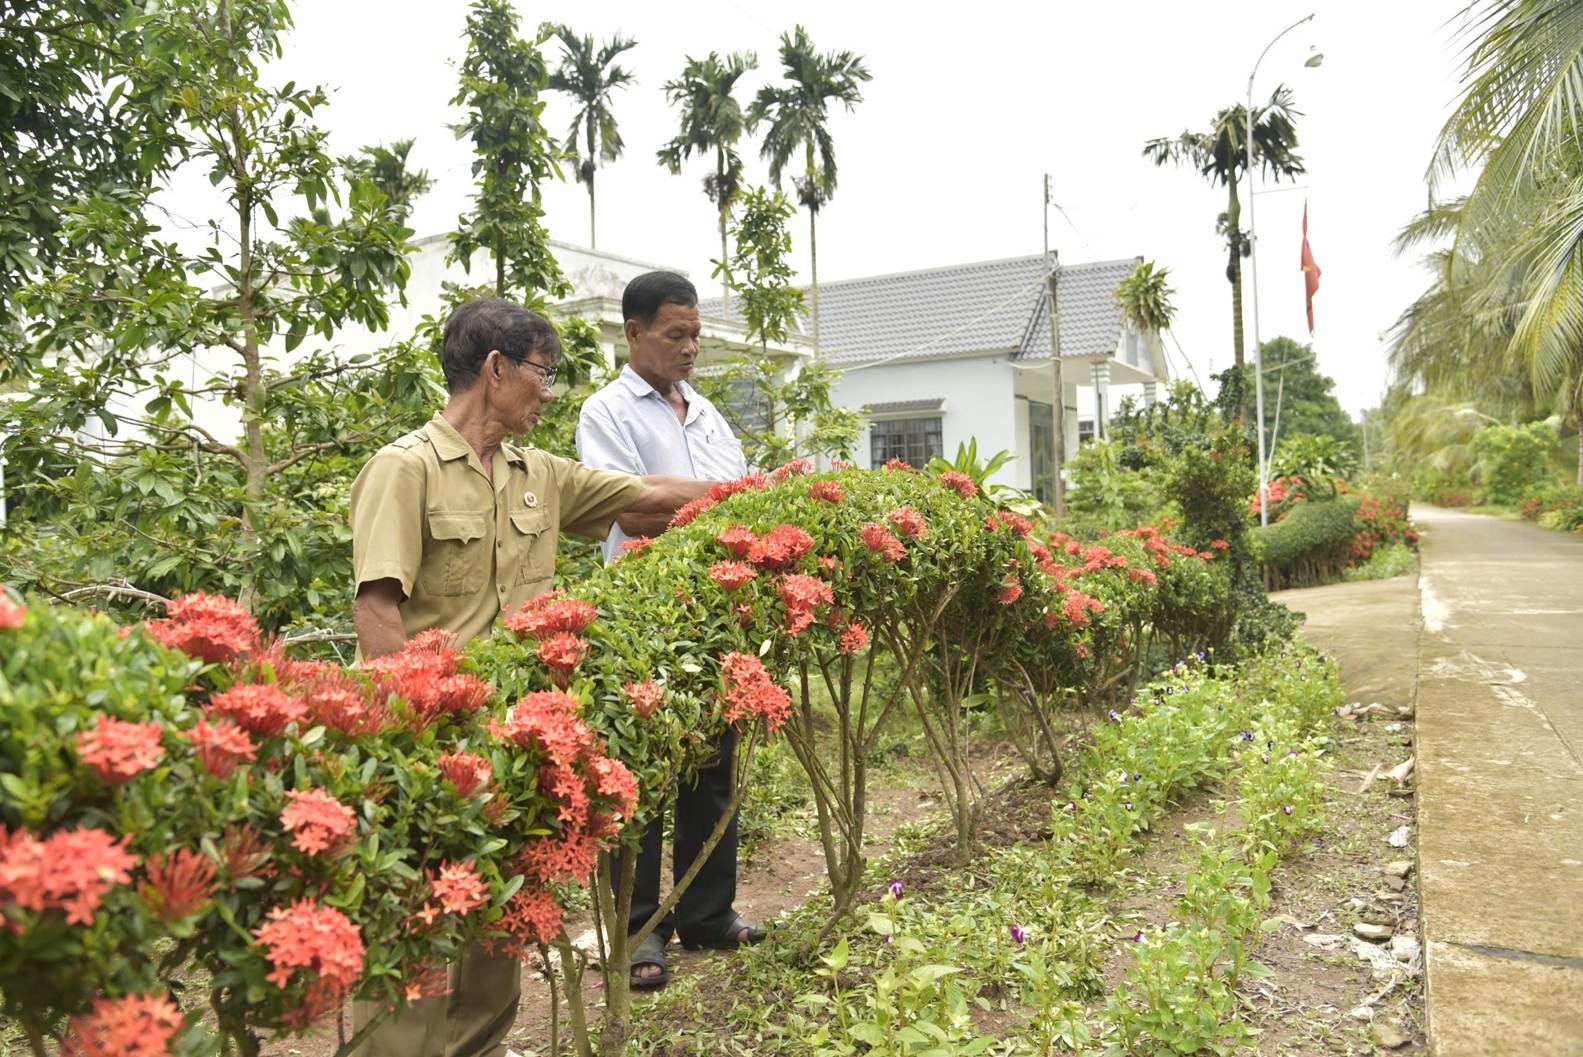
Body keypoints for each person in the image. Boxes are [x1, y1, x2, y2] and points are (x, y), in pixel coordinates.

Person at [348, 296, 711, 1057]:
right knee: (418, 937)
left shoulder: (536, 472)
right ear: (496, 367)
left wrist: (751, 492)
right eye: (542, 372)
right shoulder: (403, 467)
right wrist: (409, 741)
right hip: (425, 746)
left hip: (516, 747)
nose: (549, 391)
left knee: (494, 931)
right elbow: (378, 609)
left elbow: (644, 500)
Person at [575, 270, 765, 992]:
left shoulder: (709, 414)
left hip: (711, 613)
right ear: (633, 332)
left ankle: (708, 917)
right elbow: (626, 509)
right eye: (673, 334)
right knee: (642, 777)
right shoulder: (608, 412)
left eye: (694, 335)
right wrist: (723, 502)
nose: (688, 348)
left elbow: (733, 511)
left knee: (711, 766)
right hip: (643, 615)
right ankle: (638, 932)